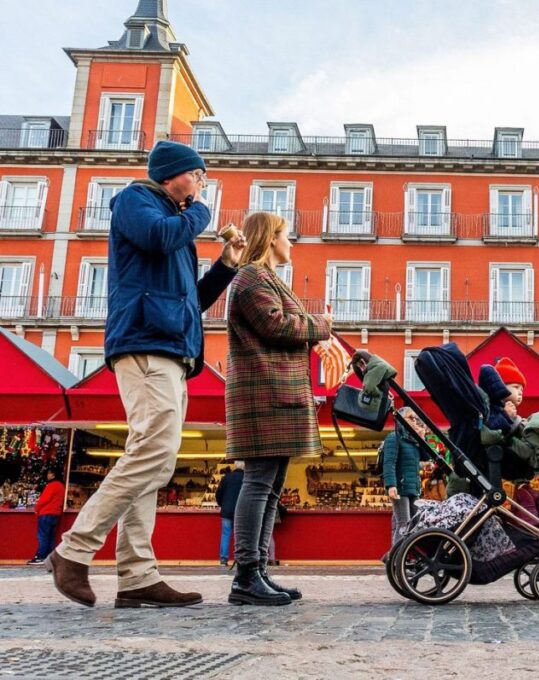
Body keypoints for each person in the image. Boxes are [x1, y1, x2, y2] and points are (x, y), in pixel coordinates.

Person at [48, 140, 244, 608]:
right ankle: (73, 550)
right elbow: (159, 236)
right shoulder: (137, 200)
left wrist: (226, 267)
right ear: (175, 175)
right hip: (143, 344)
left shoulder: (173, 224)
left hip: (169, 349)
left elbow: (189, 303)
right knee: (154, 450)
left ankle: (137, 575)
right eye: (199, 176)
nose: (201, 184)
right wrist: (200, 212)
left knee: (153, 459)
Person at [226, 211, 332, 606]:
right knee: (258, 484)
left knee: (270, 488)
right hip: (264, 392)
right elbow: (276, 325)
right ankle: (246, 576)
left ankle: (258, 573)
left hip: (275, 392)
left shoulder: (263, 278)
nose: (292, 242)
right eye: (287, 235)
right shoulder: (252, 277)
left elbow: (281, 322)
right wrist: (321, 325)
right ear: (271, 238)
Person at [382, 407, 428, 546]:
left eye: (415, 418)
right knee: (404, 524)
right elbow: (389, 463)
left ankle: (398, 557)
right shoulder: (394, 438)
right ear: (401, 420)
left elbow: (425, 457)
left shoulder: (412, 441)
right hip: (401, 488)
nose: (414, 421)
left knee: (414, 523)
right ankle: (398, 559)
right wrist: (391, 485)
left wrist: (422, 438)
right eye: (410, 417)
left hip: (413, 488)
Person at [28, 469, 65, 565]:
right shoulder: (61, 486)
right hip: (55, 514)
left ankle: (40, 557)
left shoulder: (52, 485)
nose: (47, 475)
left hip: (46, 513)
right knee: (51, 537)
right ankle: (50, 558)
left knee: (43, 536)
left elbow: (44, 499)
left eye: (49, 473)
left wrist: (36, 508)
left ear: (53, 475)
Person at [215, 462, 244, 567]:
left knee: (225, 535)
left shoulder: (227, 477)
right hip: (241, 511)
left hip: (227, 511)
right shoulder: (246, 478)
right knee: (239, 536)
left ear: (235, 466)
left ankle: (223, 559)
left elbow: (218, 493)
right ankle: (239, 559)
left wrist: (222, 504)